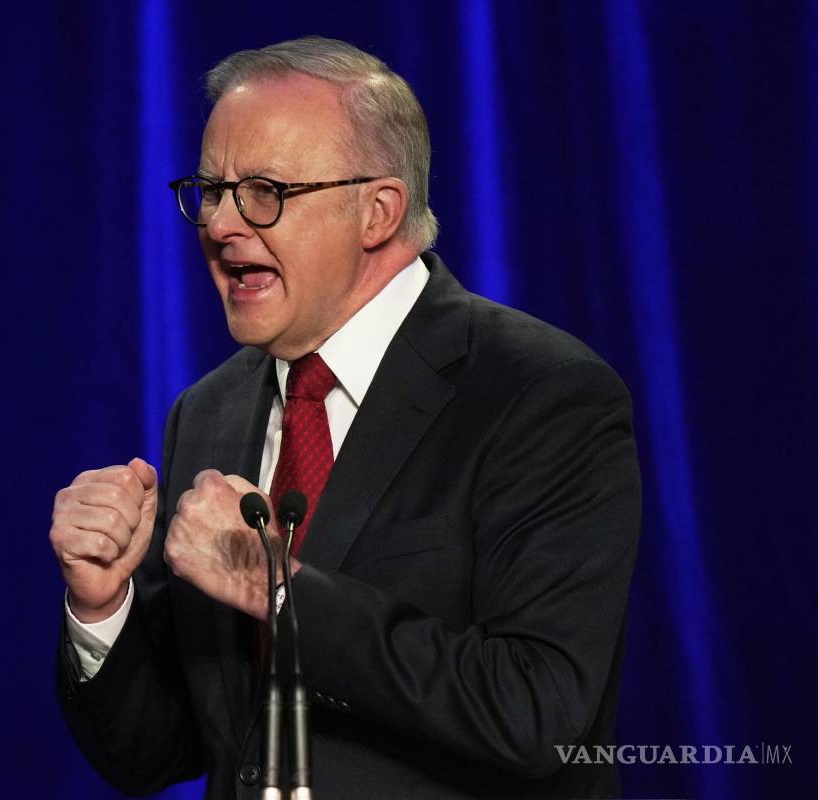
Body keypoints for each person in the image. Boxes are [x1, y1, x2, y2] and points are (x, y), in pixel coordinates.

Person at [50, 36, 640, 799]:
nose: (221, 224)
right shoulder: (209, 412)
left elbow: (537, 713)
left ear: (378, 211)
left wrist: (277, 591)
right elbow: (155, 752)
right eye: (211, 189)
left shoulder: (541, 395)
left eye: (264, 191)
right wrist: (103, 606)